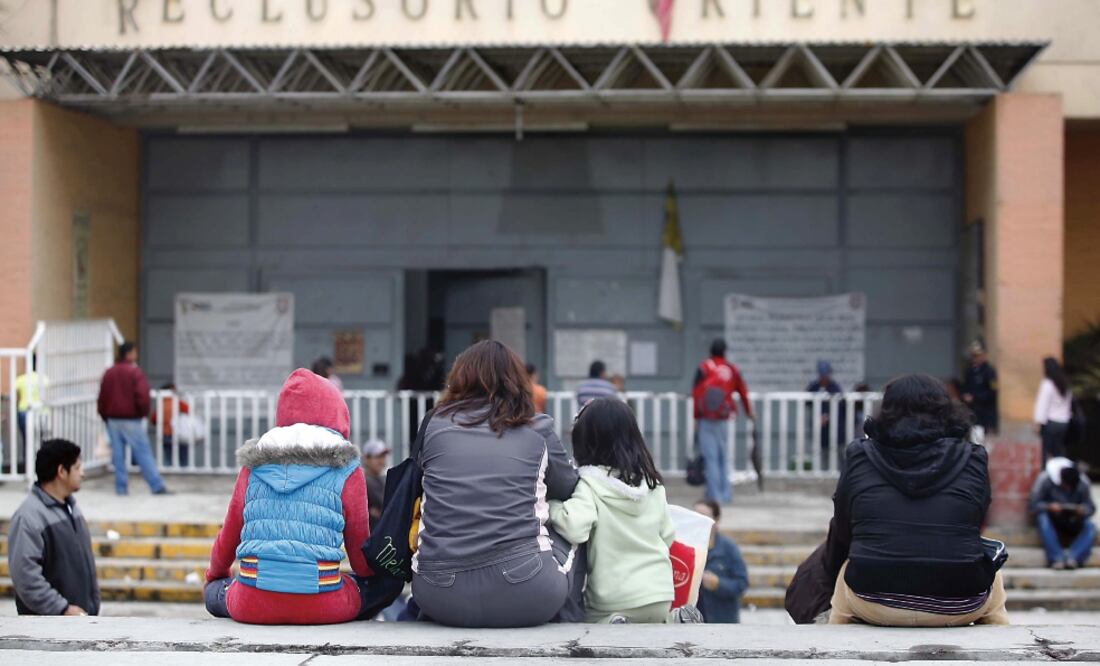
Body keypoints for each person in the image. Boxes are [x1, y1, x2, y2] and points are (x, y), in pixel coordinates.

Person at [411, 340, 582, 628]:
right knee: (576, 523)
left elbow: (419, 486)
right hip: (527, 592)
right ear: (518, 381)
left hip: (437, 594)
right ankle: (574, 622)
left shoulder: (433, 424)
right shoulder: (537, 427)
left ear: (458, 379)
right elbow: (567, 488)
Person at [823, 374, 1008, 626]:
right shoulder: (974, 458)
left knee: (846, 575)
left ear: (886, 412)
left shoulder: (859, 456)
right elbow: (975, 527)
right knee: (991, 572)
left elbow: (845, 529)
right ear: (946, 412)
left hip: (873, 599)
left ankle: (834, 649)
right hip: (960, 602)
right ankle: (1003, 642)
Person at [204, 369, 372, 624]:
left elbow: (229, 536)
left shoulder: (253, 465)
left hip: (250, 605)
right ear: (338, 413)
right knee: (381, 586)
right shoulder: (347, 468)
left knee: (214, 591)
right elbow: (361, 561)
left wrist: (215, 575)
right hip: (325, 606)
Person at [549, 399, 689, 624]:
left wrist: (551, 506)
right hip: (660, 593)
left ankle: (615, 625)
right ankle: (672, 620)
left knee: (595, 624)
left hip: (613, 600)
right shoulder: (653, 485)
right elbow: (668, 536)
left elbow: (574, 527)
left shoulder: (590, 483)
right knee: (653, 626)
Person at [7, 439, 99, 616]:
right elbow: (26, 578)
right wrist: (62, 609)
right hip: (50, 629)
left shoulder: (72, 509)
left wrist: (92, 603)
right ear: (61, 471)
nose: (83, 473)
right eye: (78, 467)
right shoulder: (28, 517)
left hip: (81, 623)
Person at [97, 342, 169, 496]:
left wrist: (105, 415)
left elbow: (102, 397)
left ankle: (121, 488)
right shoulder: (134, 372)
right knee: (143, 452)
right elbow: (143, 396)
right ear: (129, 354)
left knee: (117, 455)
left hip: (112, 420)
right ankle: (156, 485)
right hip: (130, 419)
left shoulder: (109, 372)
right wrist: (142, 413)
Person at [692, 339, 753, 505]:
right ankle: (726, 495)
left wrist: (696, 417)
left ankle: (714, 496)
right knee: (722, 457)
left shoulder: (704, 367)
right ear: (725, 351)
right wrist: (749, 413)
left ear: (710, 351)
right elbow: (743, 392)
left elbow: (696, 393)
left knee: (710, 458)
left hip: (706, 419)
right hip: (723, 419)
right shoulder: (731, 369)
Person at [1029, 458, 1095, 570]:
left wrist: (1082, 510)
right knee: (1042, 518)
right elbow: (1033, 505)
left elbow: (1091, 507)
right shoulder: (1045, 479)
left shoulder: (1082, 482)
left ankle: (1073, 557)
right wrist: (1049, 507)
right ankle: (1056, 558)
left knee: (1090, 526)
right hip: (1052, 520)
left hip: (1073, 520)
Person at [693, 499, 749, 624]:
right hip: (693, 622)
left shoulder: (729, 548)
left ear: (716, 521)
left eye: (704, 517)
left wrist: (718, 584)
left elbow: (742, 584)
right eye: (695, 516)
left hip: (721, 621)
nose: (698, 521)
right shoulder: (686, 547)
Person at [1033, 357, 1074, 464]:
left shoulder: (1048, 384)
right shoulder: (1064, 383)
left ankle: (1047, 474)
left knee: (1046, 452)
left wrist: (1038, 422)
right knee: (1058, 451)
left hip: (1051, 423)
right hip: (1064, 423)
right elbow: (1069, 404)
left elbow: (1042, 405)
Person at [806, 360, 843, 468]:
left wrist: (828, 416)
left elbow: (840, 405)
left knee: (839, 450)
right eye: (822, 375)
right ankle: (823, 472)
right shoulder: (814, 386)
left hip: (835, 427)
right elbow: (807, 401)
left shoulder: (834, 387)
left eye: (826, 374)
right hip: (820, 428)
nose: (824, 378)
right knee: (822, 452)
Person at [150, 383, 191, 467]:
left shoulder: (161, 404)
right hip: (180, 435)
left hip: (166, 434)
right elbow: (189, 413)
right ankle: (184, 474)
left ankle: (168, 473)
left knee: (168, 458)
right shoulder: (179, 404)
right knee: (183, 459)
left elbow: (154, 420)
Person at [962, 341, 998, 436]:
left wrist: (975, 397)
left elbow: (993, 392)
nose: (975, 359)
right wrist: (965, 395)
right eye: (973, 356)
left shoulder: (989, 372)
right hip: (971, 411)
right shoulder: (969, 371)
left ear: (984, 355)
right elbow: (965, 386)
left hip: (984, 413)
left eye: (977, 356)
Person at [14, 356, 47, 445]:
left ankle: (27, 458)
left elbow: (11, 394)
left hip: (24, 411)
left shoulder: (21, 379)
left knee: (27, 441)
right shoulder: (44, 379)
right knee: (41, 440)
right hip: (41, 412)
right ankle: (41, 458)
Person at [361, 439, 390, 531]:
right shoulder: (362, 481)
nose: (381, 461)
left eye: (383, 457)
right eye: (377, 457)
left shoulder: (385, 479)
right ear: (366, 458)